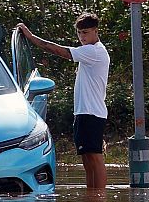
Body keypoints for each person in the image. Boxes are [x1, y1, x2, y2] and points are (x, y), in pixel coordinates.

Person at [17, 13, 110, 189]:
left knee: (95, 158)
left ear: (95, 31)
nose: (82, 37)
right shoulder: (88, 51)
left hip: (92, 112)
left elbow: (57, 50)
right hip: (83, 112)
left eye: (85, 32)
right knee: (87, 159)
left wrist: (31, 36)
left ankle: (99, 198)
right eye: (79, 33)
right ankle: (92, 197)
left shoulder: (94, 51)